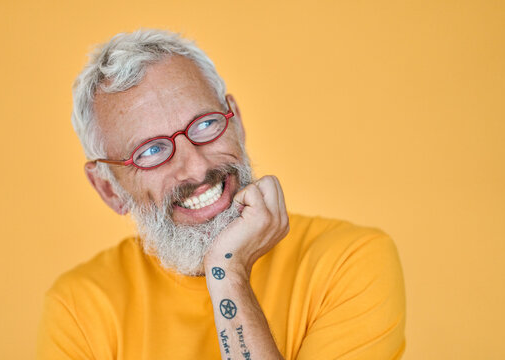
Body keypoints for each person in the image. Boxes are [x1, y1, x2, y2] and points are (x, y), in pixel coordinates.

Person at [37, 29, 406, 359]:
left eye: (205, 124)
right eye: (150, 151)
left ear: (238, 123)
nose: (196, 168)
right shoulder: (79, 309)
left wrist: (227, 271)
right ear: (108, 189)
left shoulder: (348, 260)